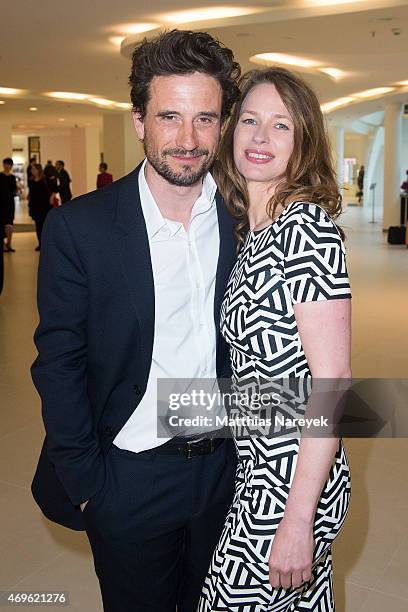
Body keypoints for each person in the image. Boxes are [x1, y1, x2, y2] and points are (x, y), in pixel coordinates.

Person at [31, 29, 241, 612]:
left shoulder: (244, 220)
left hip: (228, 472)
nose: (187, 139)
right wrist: (89, 486)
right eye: (169, 116)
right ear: (139, 122)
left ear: (222, 125)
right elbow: (59, 362)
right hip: (129, 475)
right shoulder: (82, 229)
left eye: (205, 119)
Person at [199, 68, 352, 611]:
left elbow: (333, 385)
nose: (261, 138)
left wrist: (296, 521)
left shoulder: (305, 228)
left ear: (303, 141)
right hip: (258, 466)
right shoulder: (254, 231)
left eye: (281, 125)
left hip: (287, 485)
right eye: (250, 121)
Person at [28, 164, 54, 251]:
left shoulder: (45, 180)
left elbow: (54, 189)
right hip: (35, 206)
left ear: (38, 170)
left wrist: (51, 197)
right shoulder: (31, 180)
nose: (32, 170)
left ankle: (47, 244)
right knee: (38, 226)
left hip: (45, 206)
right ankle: (40, 244)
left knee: (45, 226)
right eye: (31, 169)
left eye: (33, 169)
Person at [1, 157, 18, 252]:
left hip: (10, 202)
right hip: (1, 203)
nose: (7, 166)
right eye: (5, 164)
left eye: (9, 164)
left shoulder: (12, 177)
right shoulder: (0, 176)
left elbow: (14, 190)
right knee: (2, 223)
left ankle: (9, 243)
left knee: (9, 223)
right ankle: (3, 244)